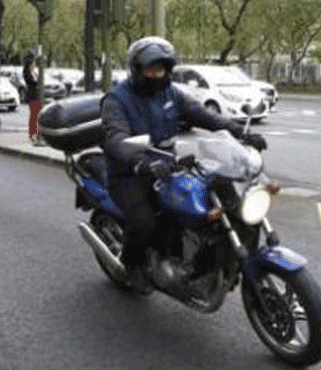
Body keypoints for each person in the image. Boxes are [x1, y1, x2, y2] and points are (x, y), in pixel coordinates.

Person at [100, 36, 267, 293]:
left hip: (168, 165)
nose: (157, 74)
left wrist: (240, 132)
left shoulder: (172, 93)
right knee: (144, 221)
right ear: (137, 69)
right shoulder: (117, 99)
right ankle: (130, 266)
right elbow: (115, 137)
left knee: (215, 201)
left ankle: (207, 261)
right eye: (151, 68)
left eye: (162, 68)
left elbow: (205, 116)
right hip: (130, 172)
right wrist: (139, 161)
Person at [23, 53, 41, 143]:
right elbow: (32, 83)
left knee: (38, 116)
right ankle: (32, 134)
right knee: (34, 116)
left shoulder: (34, 73)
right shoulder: (28, 74)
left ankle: (37, 133)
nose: (34, 66)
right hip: (32, 96)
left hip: (36, 96)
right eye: (33, 64)